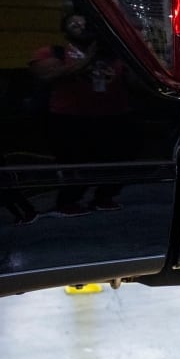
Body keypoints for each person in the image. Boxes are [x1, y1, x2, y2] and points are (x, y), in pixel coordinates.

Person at [30, 12, 137, 216]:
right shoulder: (55, 52)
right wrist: (90, 57)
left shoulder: (113, 54)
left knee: (117, 159)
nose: (81, 26)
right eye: (74, 23)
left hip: (113, 116)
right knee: (75, 161)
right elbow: (50, 74)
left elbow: (131, 81)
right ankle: (69, 201)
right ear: (65, 30)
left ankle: (104, 196)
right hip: (70, 118)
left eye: (85, 22)